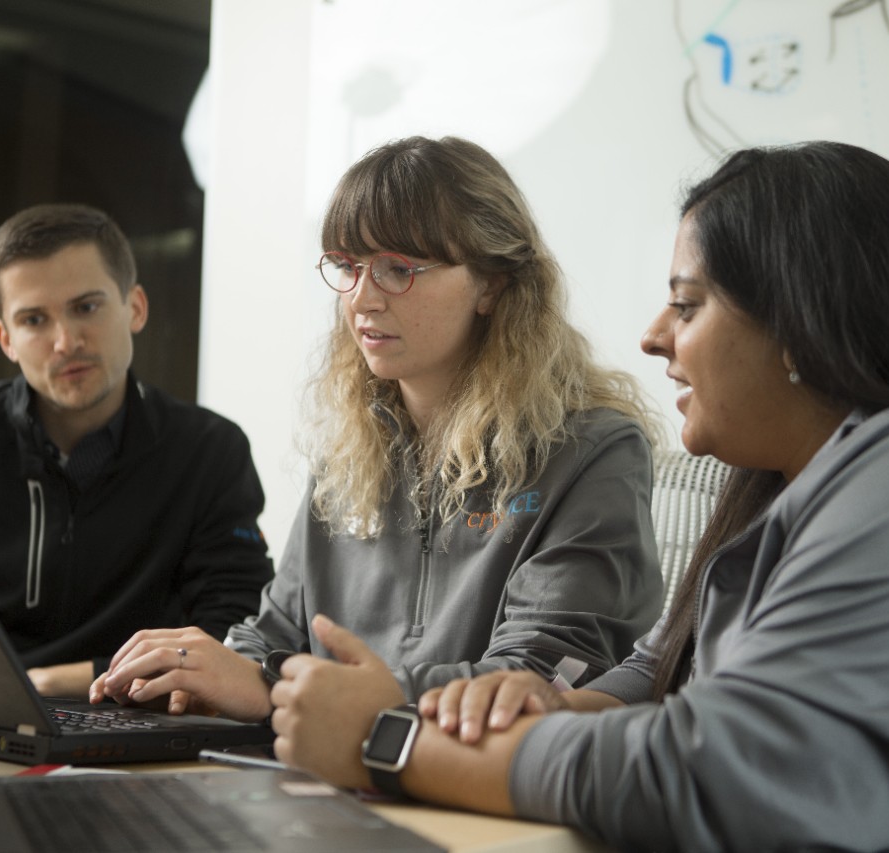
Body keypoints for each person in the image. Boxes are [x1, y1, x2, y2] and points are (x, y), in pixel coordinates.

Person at [270, 141, 889, 852]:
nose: (654, 336)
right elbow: (668, 664)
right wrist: (563, 701)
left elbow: (736, 779)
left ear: (801, 320)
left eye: (688, 304)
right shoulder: (815, 483)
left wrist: (392, 741)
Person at [91, 136, 664, 732]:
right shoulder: (351, 450)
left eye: (398, 270)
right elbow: (273, 636)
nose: (361, 299)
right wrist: (200, 678)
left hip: (481, 797)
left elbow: (536, 679)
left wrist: (270, 686)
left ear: (492, 284)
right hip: (326, 775)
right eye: (347, 267)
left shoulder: (595, 451)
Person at [0, 203, 275, 698]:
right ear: (6, 338)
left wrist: (62, 680)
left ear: (135, 308)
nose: (65, 342)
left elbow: (236, 637)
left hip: (139, 720)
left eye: (86, 307)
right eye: (33, 320)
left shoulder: (210, 451)